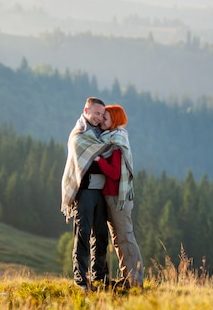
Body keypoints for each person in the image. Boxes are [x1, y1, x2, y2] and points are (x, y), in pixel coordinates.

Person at [60, 97, 110, 291]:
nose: (99, 118)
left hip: (101, 192)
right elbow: (92, 161)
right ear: (86, 110)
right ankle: (81, 280)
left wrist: (102, 158)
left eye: (102, 114)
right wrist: (103, 159)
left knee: (101, 235)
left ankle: (100, 277)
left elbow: (106, 156)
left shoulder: (103, 133)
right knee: (82, 234)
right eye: (96, 113)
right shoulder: (79, 134)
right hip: (85, 191)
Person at [94, 104, 144, 288]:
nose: (101, 122)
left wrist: (98, 160)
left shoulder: (116, 144)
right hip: (113, 196)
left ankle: (135, 281)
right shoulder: (112, 139)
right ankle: (128, 278)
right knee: (118, 238)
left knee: (125, 236)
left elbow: (114, 173)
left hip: (118, 197)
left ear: (114, 121)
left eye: (105, 118)